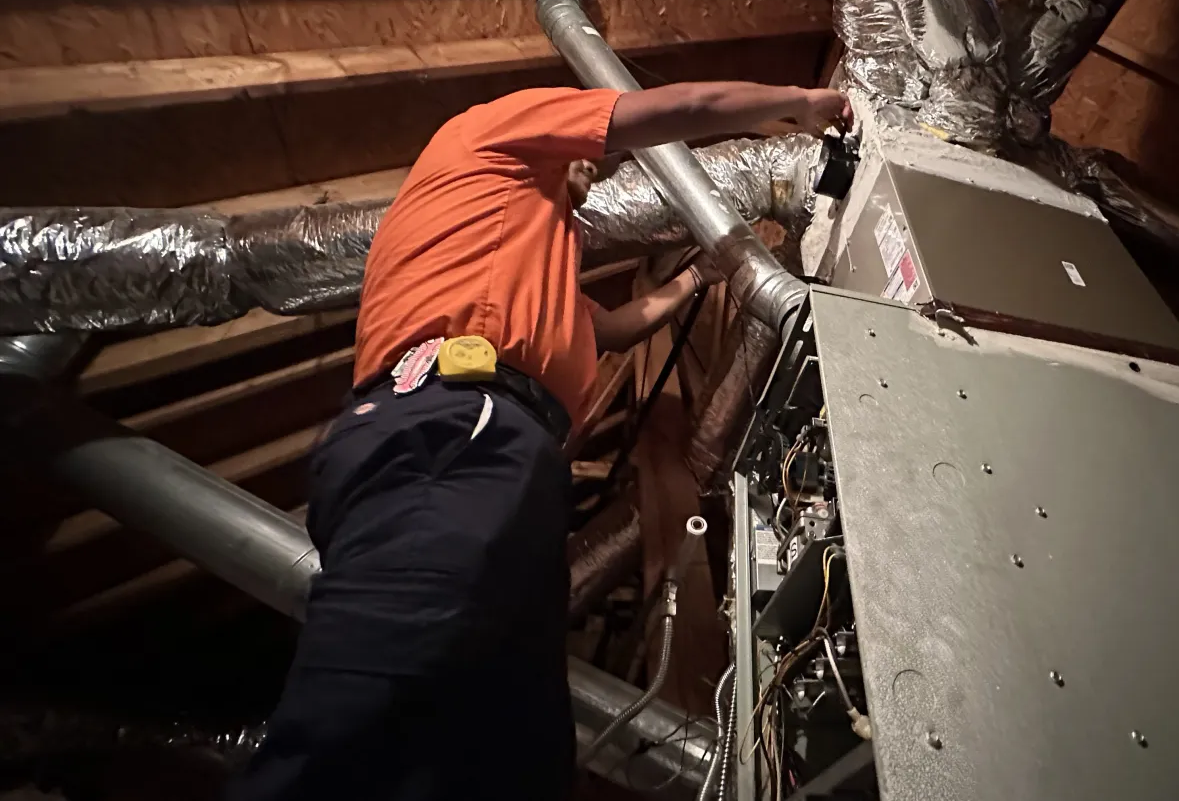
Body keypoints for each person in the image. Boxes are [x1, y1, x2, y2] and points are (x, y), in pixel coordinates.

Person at [230, 82, 852, 801]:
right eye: (597, 158)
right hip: (450, 429)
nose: (604, 168)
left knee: (513, 753)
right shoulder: (491, 136)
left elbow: (619, 325)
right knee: (369, 724)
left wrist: (698, 277)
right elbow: (676, 109)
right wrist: (799, 103)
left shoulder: (518, 260)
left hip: (487, 450)